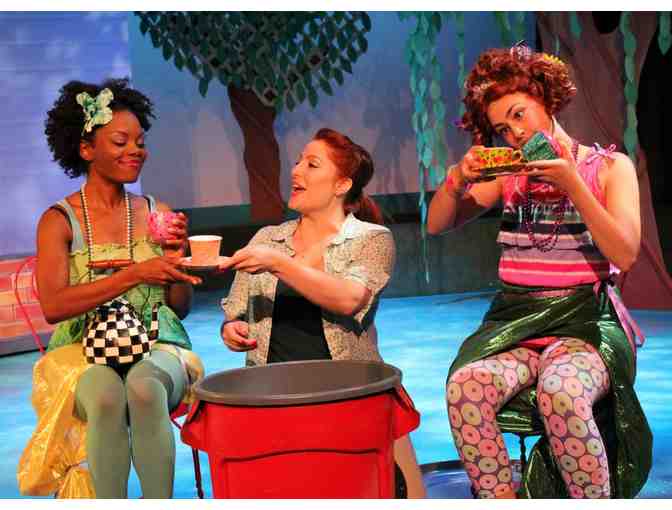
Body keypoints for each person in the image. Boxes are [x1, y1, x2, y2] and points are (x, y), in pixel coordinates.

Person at [429, 46, 651, 498]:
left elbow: (626, 254)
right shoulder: (509, 177)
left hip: (585, 326)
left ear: (545, 100)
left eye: (519, 114)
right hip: (516, 326)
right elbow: (437, 224)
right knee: (466, 387)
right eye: (502, 128)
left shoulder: (609, 168)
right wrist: (457, 178)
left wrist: (572, 183)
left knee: (561, 391)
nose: (515, 133)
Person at [17, 78, 203, 499]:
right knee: (104, 396)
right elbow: (53, 306)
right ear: (86, 149)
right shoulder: (59, 220)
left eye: (140, 142)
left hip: (157, 342)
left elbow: (180, 307)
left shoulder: (156, 213)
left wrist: (176, 256)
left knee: (144, 388)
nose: (135, 150)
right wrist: (135, 274)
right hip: (81, 349)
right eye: (121, 141)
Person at [219, 128, 426, 498]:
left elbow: (349, 298)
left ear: (342, 185)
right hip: (276, 398)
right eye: (299, 161)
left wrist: (280, 264)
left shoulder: (370, 239)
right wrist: (231, 329)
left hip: (348, 396)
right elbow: (234, 311)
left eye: (312, 164)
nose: (296, 170)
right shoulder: (268, 238)